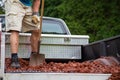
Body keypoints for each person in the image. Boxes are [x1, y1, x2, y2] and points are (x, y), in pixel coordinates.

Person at [5, 0, 41, 68]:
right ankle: (14, 58)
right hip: (14, 2)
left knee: (36, 29)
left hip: (27, 5)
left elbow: (37, 0)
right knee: (15, 29)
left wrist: (35, 13)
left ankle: (34, 55)